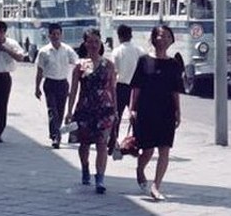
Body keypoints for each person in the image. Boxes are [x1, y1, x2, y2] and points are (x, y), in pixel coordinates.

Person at [129, 25, 183, 201]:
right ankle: (140, 169)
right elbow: (136, 87)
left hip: (166, 110)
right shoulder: (144, 60)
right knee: (148, 150)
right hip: (146, 109)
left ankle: (156, 186)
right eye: (161, 36)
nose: (164, 39)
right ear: (153, 39)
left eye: (168, 36)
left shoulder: (174, 64)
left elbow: (176, 90)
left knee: (164, 149)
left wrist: (178, 111)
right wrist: (132, 109)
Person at [65, 29, 117, 194]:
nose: (93, 45)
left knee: (102, 142)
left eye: (96, 41)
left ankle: (100, 178)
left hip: (104, 109)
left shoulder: (108, 65)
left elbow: (113, 88)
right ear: (85, 43)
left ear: (101, 43)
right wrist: (69, 111)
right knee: (85, 143)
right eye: (90, 42)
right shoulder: (80, 66)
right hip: (85, 109)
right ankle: (85, 167)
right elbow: (73, 90)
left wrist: (115, 110)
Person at [34, 23, 79, 149]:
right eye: (53, 34)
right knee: (52, 111)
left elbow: (77, 61)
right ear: (49, 35)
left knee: (60, 111)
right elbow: (40, 71)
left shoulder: (67, 50)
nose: (56, 36)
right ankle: (55, 136)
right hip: (50, 83)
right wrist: (37, 87)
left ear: (61, 35)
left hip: (63, 84)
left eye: (58, 34)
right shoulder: (44, 52)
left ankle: (56, 132)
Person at [110, 24, 147, 152]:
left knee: (117, 116)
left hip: (121, 87)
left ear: (119, 36)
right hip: (137, 88)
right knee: (136, 116)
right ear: (131, 35)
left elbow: (114, 73)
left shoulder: (117, 51)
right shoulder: (140, 51)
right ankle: (137, 142)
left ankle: (112, 142)